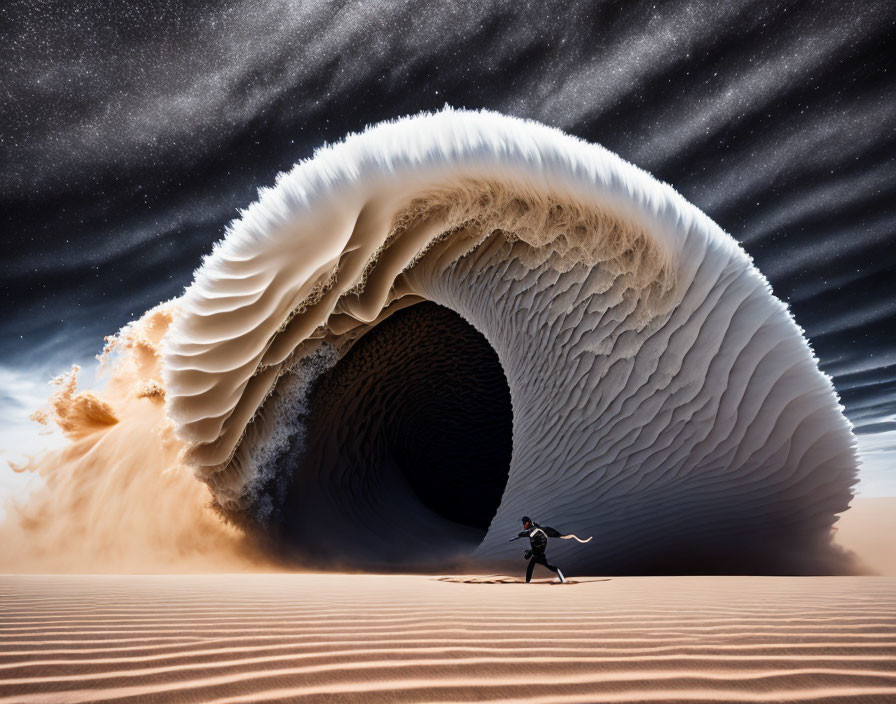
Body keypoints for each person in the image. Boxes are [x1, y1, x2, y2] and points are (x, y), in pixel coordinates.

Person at [509, 515, 567, 583]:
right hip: (538, 554)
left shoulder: (533, 531)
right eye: (524, 523)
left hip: (538, 554)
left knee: (533, 567)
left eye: (525, 523)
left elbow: (524, 534)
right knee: (534, 567)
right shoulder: (535, 530)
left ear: (528, 523)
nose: (524, 525)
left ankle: (527, 582)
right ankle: (562, 578)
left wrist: (515, 537)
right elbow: (524, 534)